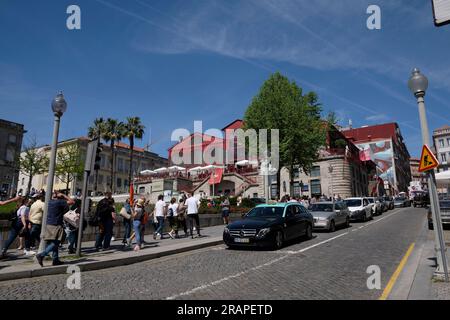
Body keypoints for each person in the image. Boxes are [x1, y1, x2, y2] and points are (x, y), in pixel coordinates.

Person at [35, 192, 74, 267]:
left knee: (53, 242)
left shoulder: (49, 201)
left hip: (48, 224)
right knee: (56, 242)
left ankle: (55, 260)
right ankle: (41, 255)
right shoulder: (60, 202)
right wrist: (63, 195)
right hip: (56, 225)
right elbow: (72, 201)